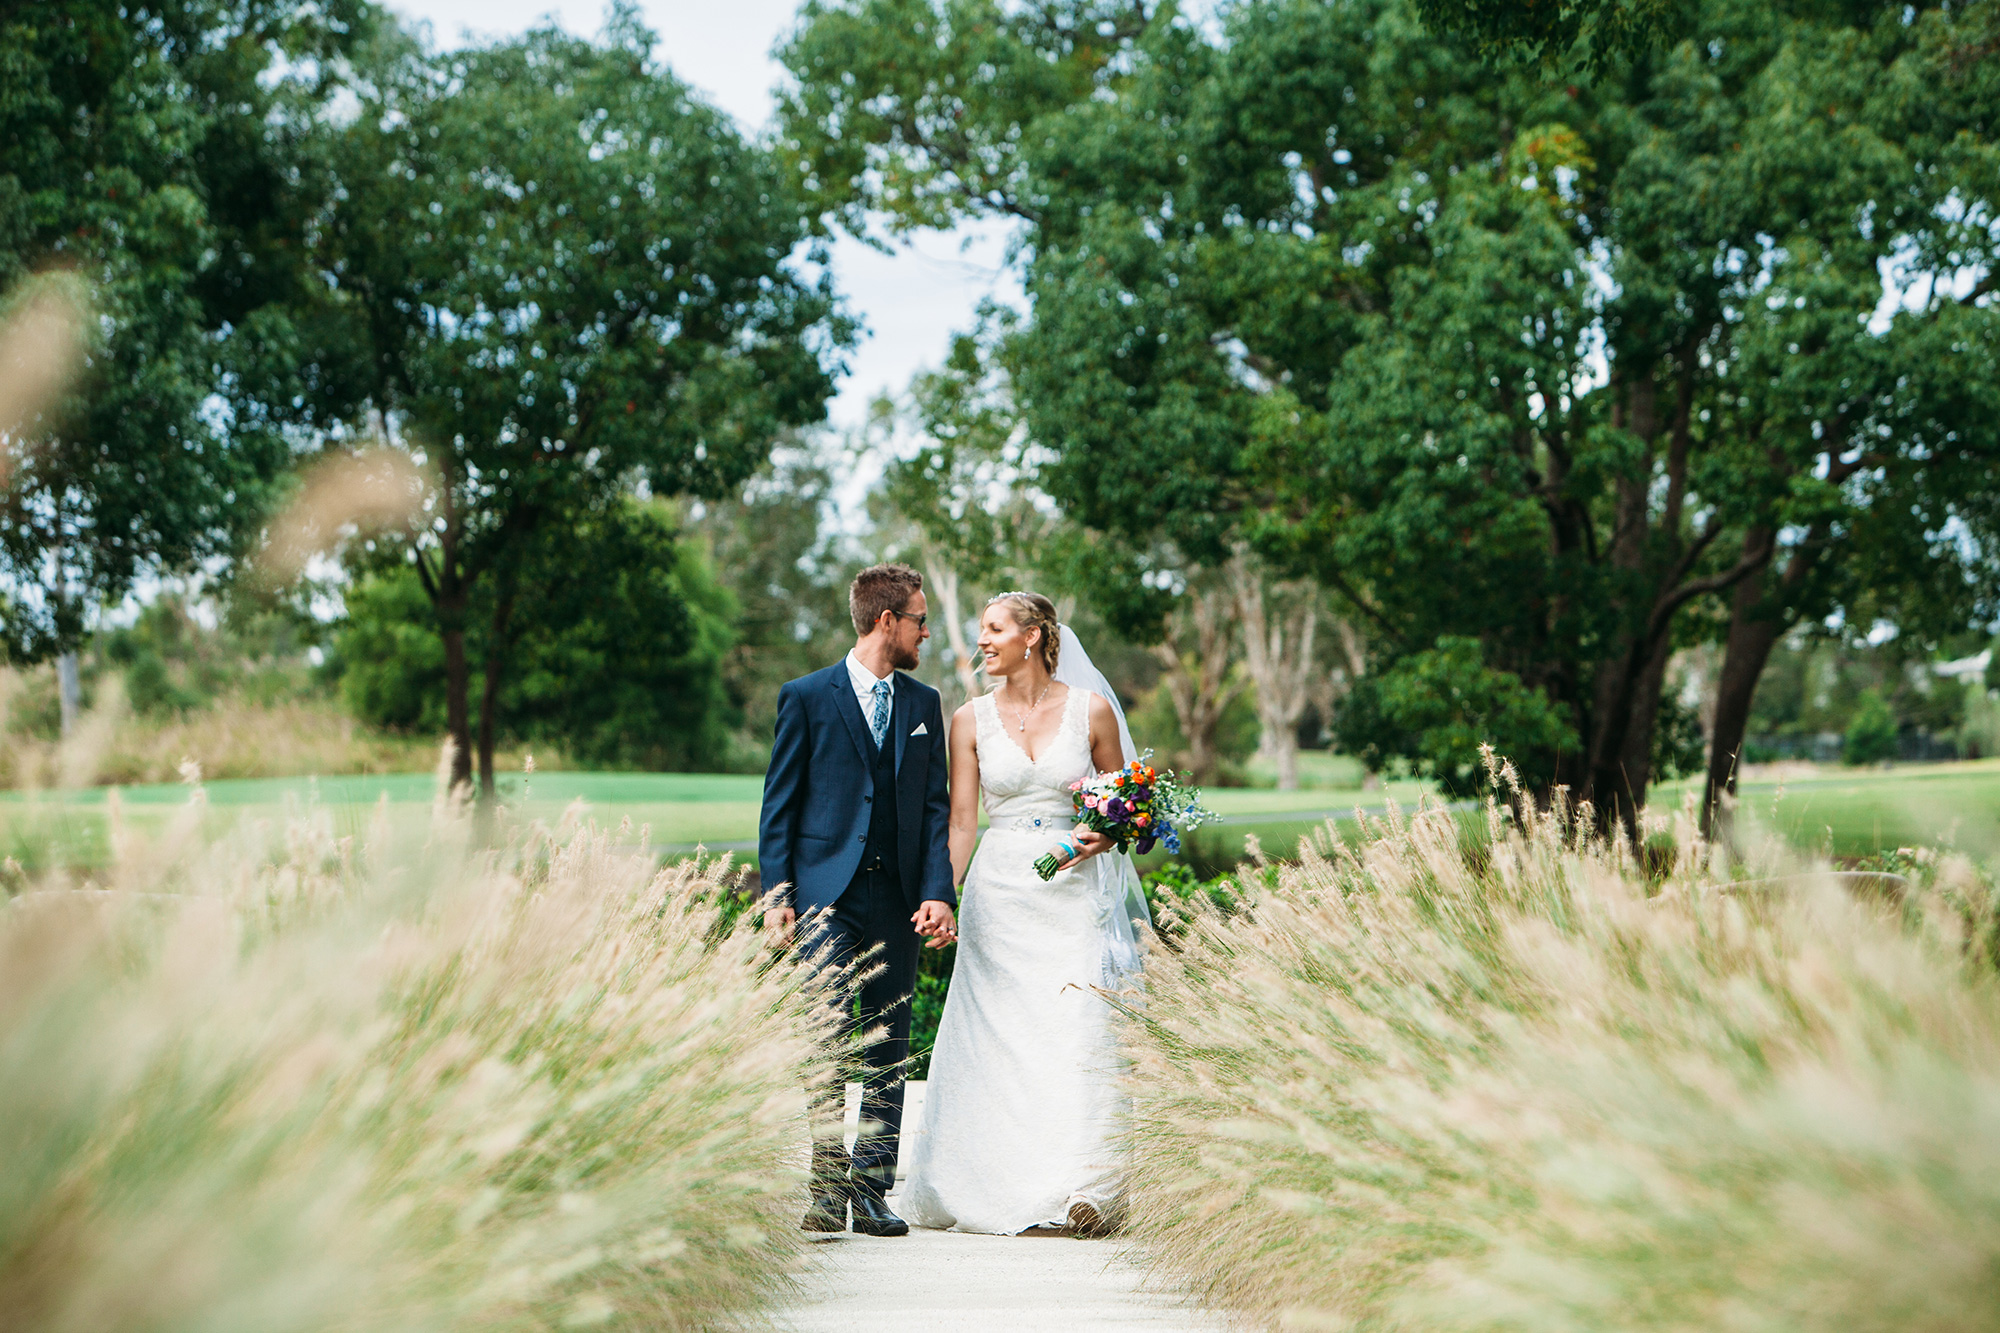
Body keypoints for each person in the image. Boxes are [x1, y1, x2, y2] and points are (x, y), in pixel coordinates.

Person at [900, 590, 1152, 1237]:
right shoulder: (969, 719)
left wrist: (1102, 832)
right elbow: (961, 823)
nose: (980, 641)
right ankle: (996, 1181)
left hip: (1073, 895)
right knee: (1002, 1037)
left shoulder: (1090, 711)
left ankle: (1083, 1188)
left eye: (992, 629)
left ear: (1033, 635)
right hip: (1001, 890)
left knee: (1075, 1025)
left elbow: (1122, 809)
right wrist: (941, 894)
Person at [757, 563, 958, 1238]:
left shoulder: (924, 704)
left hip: (899, 896)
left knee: (889, 1043)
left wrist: (937, 890)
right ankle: (824, 1184)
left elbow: (935, 811)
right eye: (920, 620)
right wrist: (778, 896)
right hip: (824, 897)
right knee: (824, 1036)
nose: (926, 632)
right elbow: (778, 806)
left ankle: (871, 1190)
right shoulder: (807, 696)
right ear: (886, 621)